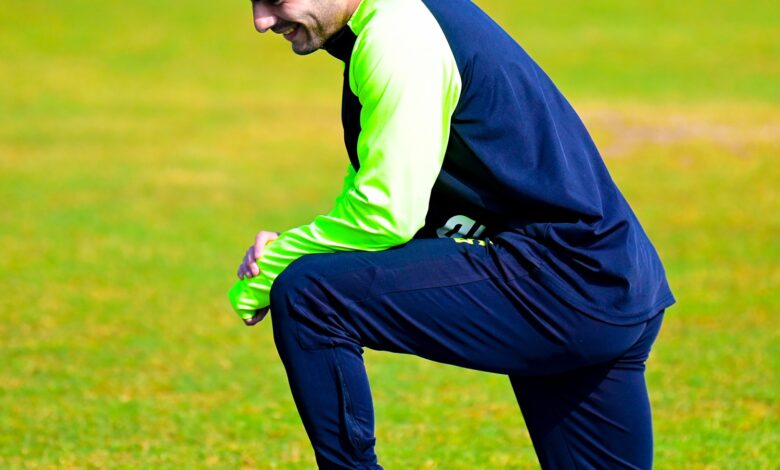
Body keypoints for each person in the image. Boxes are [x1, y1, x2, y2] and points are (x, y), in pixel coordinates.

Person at [229, 0, 675, 468]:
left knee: (311, 295)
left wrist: (278, 264)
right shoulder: (401, 19)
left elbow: (387, 214)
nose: (261, 21)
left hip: (558, 282)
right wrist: (302, 246)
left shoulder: (398, 35)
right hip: (613, 277)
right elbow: (381, 183)